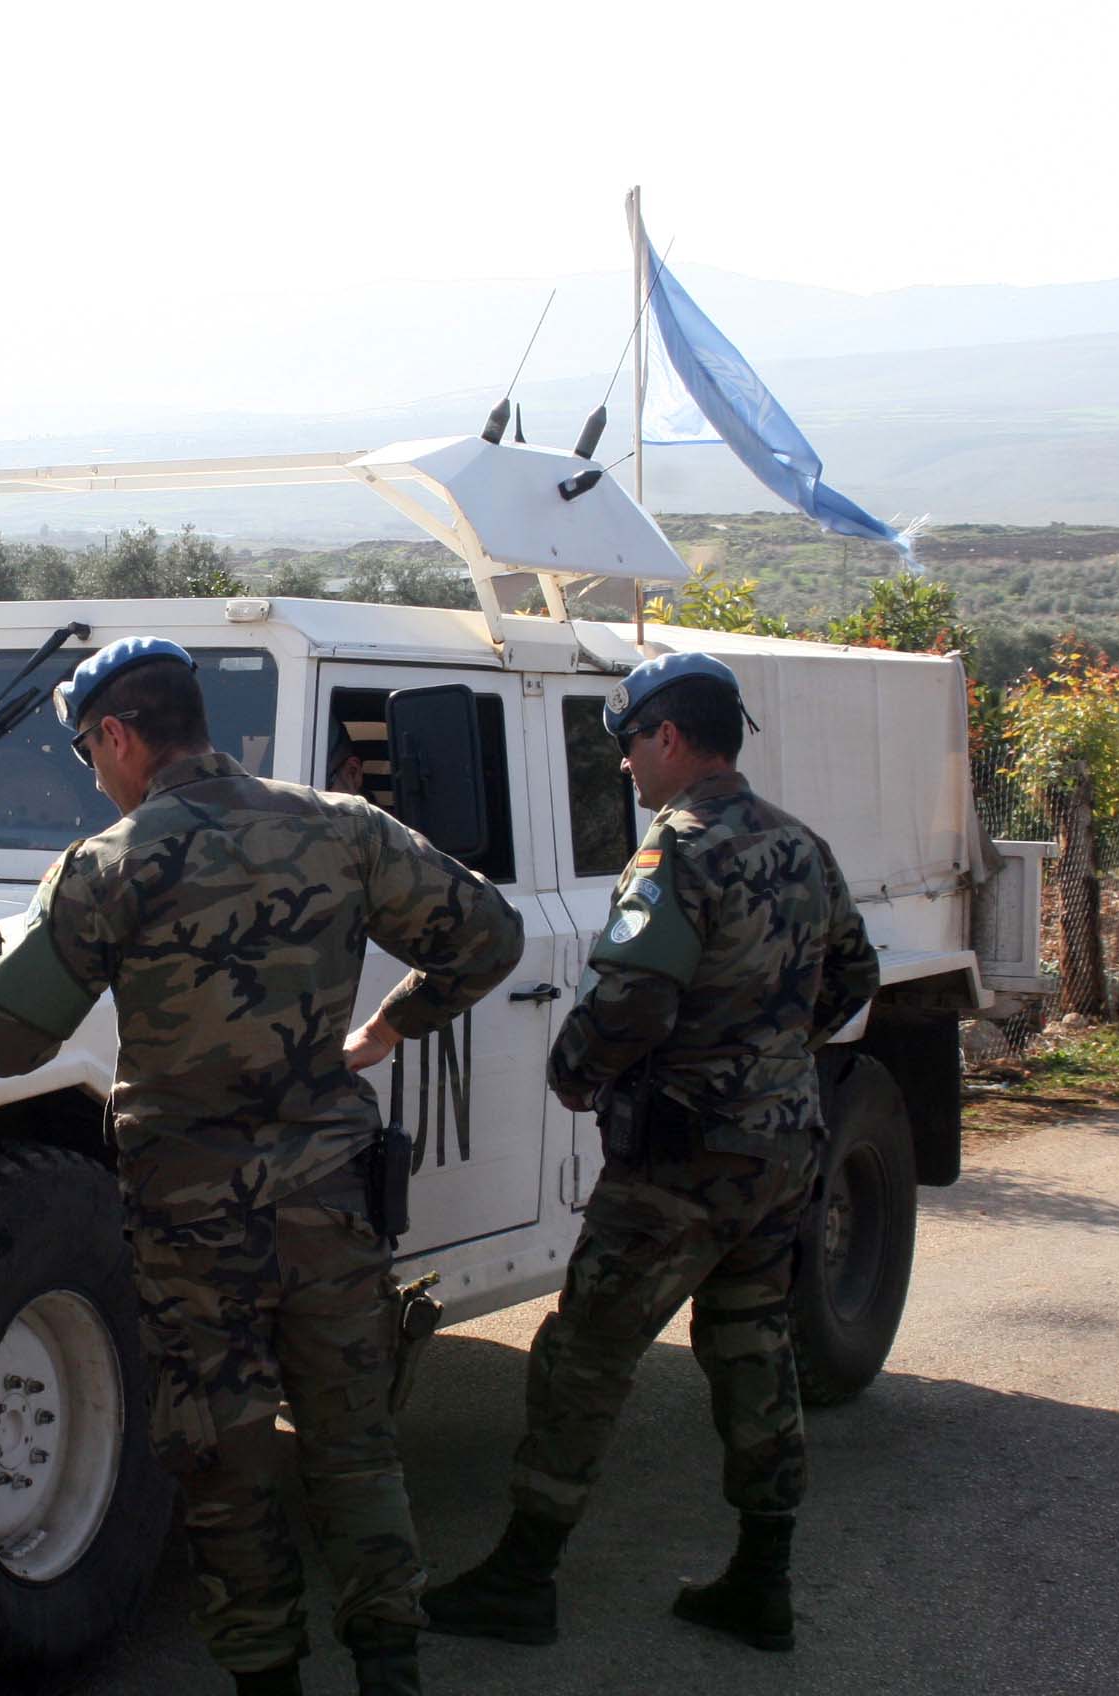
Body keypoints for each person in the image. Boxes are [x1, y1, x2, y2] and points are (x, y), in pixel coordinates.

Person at [0, 638, 524, 1696]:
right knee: (354, 1444)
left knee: (224, 1460)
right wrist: (390, 1024)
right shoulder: (344, 830)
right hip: (330, 1208)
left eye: (88, 750)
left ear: (118, 735)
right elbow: (491, 935)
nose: (94, 772)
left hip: (191, 1226)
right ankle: (392, 1672)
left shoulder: (113, 863)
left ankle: (268, 1680)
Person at [420, 651, 878, 1656]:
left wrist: (576, 1073)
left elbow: (629, 998)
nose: (624, 766)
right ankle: (764, 1574)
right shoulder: (800, 845)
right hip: (779, 1150)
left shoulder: (679, 852)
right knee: (753, 1343)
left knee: (583, 1356)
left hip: (681, 1162)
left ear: (668, 737)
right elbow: (854, 973)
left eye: (627, 744)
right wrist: (768, 1059)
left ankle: (524, 1577)